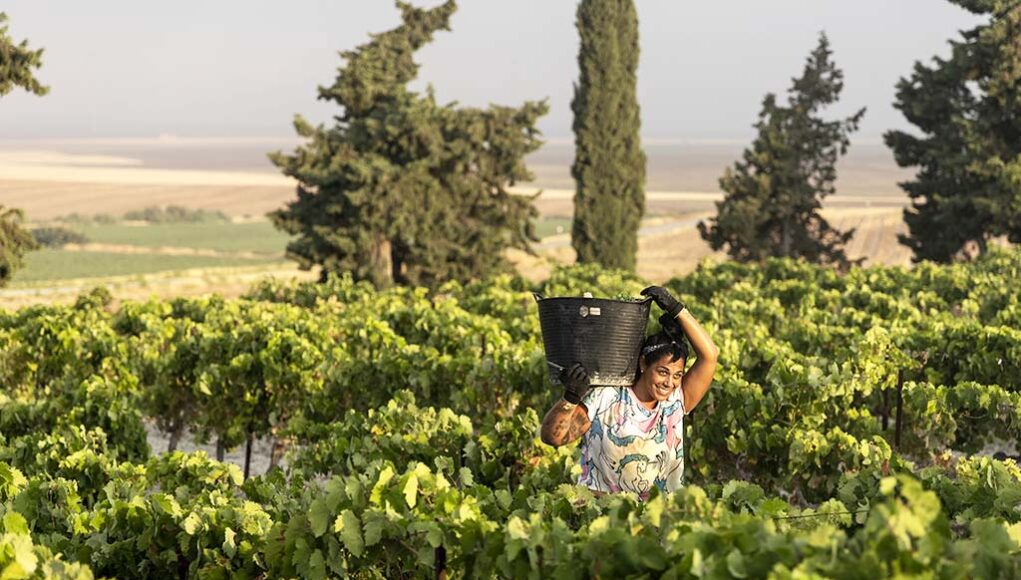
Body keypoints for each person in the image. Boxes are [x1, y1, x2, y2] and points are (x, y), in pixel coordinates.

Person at [539, 286, 718, 498]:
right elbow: (554, 438)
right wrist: (570, 398)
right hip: (603, 516)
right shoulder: (607, 397)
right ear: (643, 363)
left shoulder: (676, 401)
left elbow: (710, 355)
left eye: (677, 375)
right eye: (662, 372)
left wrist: (677, 309)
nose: (669, 382)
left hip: (659, 518)